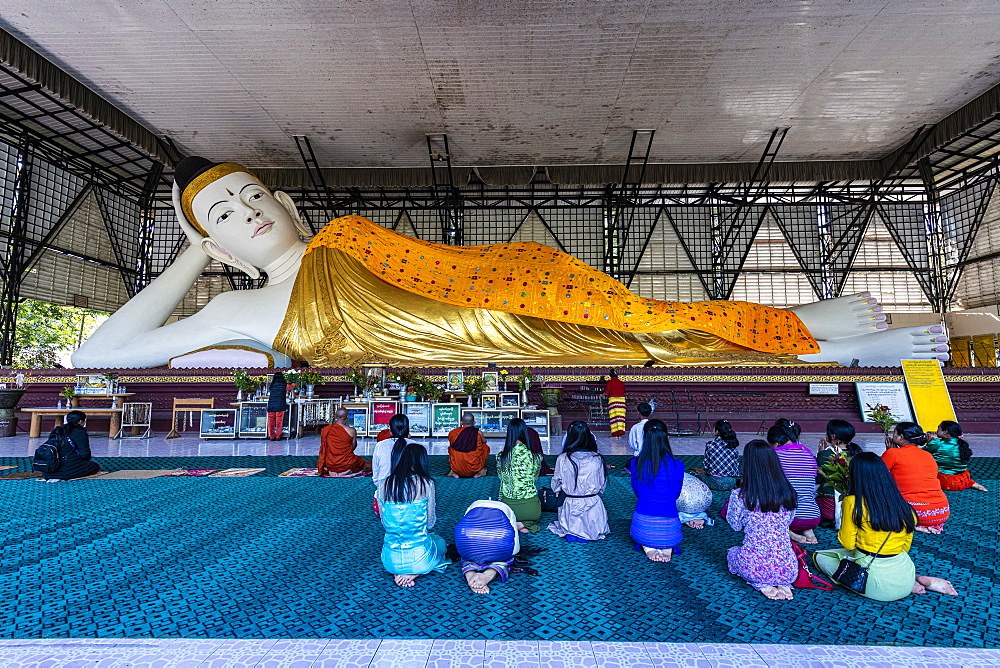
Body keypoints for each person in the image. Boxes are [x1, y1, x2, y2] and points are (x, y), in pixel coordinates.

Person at [73, 156, 950, 369]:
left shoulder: (338, 235)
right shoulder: (230, 311)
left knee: (590, 302)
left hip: (490, 279)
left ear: (289, 203)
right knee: (597, 335)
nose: (249, 212)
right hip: (475, 324)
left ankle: (798, 327)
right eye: (225, 217)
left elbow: (437, 264)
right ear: (219, 245)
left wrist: (496, 272)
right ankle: (819, 344)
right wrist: (188, 261)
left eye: (254, 194)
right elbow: (97, 354)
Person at [814, 453, 958, 601]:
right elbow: (905, 548)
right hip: (904, 570)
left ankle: (911, 579)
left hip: (877, 583)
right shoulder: (905, 506)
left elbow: (848, 543)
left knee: (820, 556)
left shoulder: (852, 502)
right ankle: (914, 578)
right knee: (845, 554)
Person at [725, 440, 798, 601]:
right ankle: (782, 582)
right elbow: (789, 521)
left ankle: (761, 582)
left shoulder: (741, 496)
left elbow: (735, 526)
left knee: (732, 552)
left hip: (752, 566)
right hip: (789, 568)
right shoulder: (789, 493)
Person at [377, 440, 450, 587]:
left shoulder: (383, 484)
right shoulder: (426, 483)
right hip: (420, 559)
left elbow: (384, 522)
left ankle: (399, 572)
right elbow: (430, 523)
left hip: (389, 560)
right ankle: (412, 574)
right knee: (441, 543)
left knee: (433, 540)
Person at [630, 419, 685, 562]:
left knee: (643, 534)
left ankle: (648, 547)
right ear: (666, 437)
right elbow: (675, 494)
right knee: (669, 534)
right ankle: (667, 546)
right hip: (671, 532)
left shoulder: (636, 463)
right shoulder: (677, 465)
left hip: (641, 529)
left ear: (645, 437)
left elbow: (638, 492)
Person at [882, 422, 950, 534]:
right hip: (941, 512)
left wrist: (888, 451)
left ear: (901, 437)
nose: (891, 436)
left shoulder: (893, 453)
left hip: (914, 513)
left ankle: (911, 524)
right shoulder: (927, 455)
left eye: (894, 433)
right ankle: (924, 525)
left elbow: (878, 474)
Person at [548, 421, 610, 542]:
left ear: (569, 438)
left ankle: (573, 530)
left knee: (570, 529)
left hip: (571, 504)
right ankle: (586, 530)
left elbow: (555, 486)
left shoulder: (562, 458)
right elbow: (602, 487)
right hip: (593, 504)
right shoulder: (597, 459)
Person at [768, 421, 821, 545]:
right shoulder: (807, 452)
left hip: (789, 518)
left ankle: (789, 533)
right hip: (813, 515)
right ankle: (808, 531)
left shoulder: (775, 454)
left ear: (775, 442)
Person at [454, 500, 522, 594]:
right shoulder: (508, 510)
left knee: (469, 553)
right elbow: (515, 548)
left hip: (469, 547)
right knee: (509, 554)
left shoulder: (471, 508)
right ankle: (490, 573)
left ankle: (469, 571)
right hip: (498, 547)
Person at [497, 418, 543, 533]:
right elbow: (534, 478)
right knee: (533, 510)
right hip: (531, 509)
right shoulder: (536, 457)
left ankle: (514, 524)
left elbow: (502, 480)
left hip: (508, 508)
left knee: (506, 517)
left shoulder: (501, 457)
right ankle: (524, 524)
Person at [816, 419, 862, 525]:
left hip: (829, 502)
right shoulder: (856, 453)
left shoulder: (824, 454)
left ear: (832, 436)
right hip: (854, 501)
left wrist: (819, 455)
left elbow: (818, 478)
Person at [924, 420, 988, 492]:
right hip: (964, 478)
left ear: (945, 432)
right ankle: (971, 483)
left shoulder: (937, 443)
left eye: (938, 429)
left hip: (945, 480)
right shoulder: (961, 443)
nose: (936, 431)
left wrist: (928, 443)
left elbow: (921, 453)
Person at [40, 411, 100, 480]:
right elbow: (85, 455)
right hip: (66, 470)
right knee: (95, 466)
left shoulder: (57, 429)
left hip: (49, 469)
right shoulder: (79, 432)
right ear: (80, 421)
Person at [371, 414, 423, 489]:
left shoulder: (380, 445)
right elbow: (421, 473)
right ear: (408, 429)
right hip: (412, 491)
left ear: (390, 430)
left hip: (384, 492)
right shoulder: (416, 445)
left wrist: (381, 487)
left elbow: (376, 476)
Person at [317, 408, 371, 477]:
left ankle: (332, 471)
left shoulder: (326, 429)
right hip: (347, 463)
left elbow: (324, 447)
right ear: (347, 417)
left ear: (335, 417)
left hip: (330, 464)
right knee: (362, 463)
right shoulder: (351, 430)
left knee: (360, 462)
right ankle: (347, 471)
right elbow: (353, 447)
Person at [692, 419, 740, 491]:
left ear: (717, 431)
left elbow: (706, 465)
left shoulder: (711, 445)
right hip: (730, 483)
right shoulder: (733, 445)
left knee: (696, 474)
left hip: (713, 483)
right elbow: (736, 467)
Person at [447, 412, 490, 478]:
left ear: (461, 423)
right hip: (474, 469)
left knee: (452, 448)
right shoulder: (478, 433)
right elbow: (485, 441)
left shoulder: (453, 432)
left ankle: (454, 471)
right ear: (474, 422)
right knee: (485, 447)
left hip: (457, 468)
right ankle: (479, 471)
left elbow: (451, 443)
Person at [265, 372, 288, 441]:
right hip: (280, 405)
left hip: (271, 405)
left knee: (270, 422)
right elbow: (292, 386)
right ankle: (278, 436)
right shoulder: (284, 385)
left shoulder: (272, 385)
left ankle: (271, 436)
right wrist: (293, 382)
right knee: (279, 422)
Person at [605, 370, 627, 437]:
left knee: (614, 417)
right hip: (622, 400)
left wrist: (602, 395)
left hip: (613, 400)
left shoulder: (609, 382)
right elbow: (623, 391)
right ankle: (620, 433)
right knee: (621, 417)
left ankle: (615, 434)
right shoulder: (621, 383)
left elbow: (607, 391)